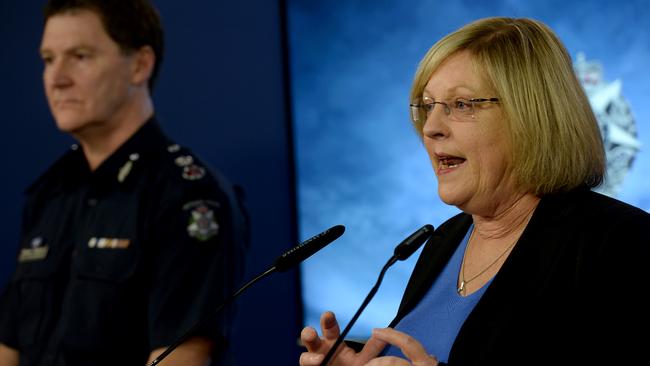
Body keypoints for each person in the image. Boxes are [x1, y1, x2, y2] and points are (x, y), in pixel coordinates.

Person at [299, 17, 650, 366]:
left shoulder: (619, 243)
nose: (432, 128)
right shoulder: (445, 241)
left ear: (530, 117)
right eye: (427, 106)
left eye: (462, 105)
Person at [0, 0, 248, 365]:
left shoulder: (190, 197)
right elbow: (8, 346)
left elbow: (181, 358)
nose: (57, 78)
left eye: (80, 56)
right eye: (48, 59)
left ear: (139, 65)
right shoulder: (48, 193)